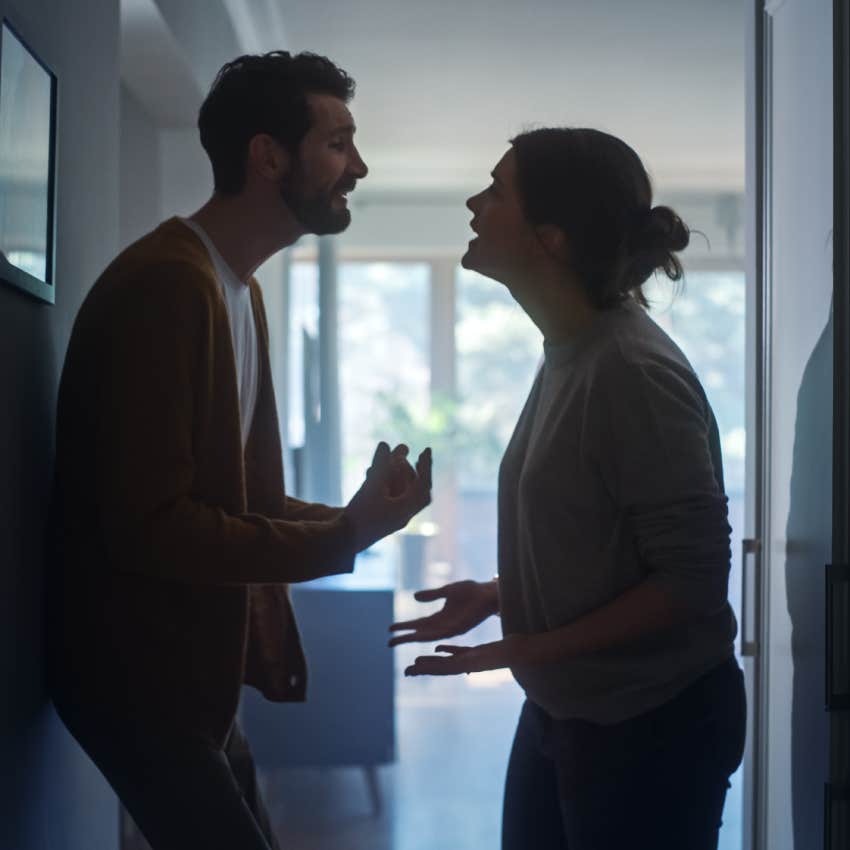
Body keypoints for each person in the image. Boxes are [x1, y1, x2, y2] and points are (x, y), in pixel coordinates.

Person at [48, 51, 431, 850]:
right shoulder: (169, 285)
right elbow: (155, 527)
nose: (357, 167)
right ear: (268, 157)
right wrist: (346, 534)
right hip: (140, 682)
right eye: (339, 144)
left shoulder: (237, 288)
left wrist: (359, 517)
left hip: (191, 682)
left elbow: (239, 501)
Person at [389, 127, 745, 850]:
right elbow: (603, 536)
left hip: (651, 723)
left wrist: (524, 646)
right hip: (571, 707)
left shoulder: (631, 370)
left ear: (549, 239)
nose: (473, 202)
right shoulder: (571, 351)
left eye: (496, 191)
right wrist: (501, 597)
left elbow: (693, 581)